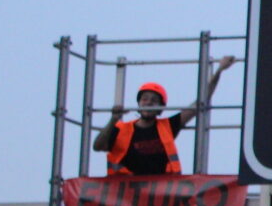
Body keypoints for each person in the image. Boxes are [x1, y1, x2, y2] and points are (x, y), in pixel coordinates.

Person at [95, 59, 236, 176]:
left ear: (161, 109)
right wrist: (113, 119)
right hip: (127, 197)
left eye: (154, 100)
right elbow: (98, 146)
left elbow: (200, 103)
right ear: (138, 104)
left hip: (160, 198)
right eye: (145, 99)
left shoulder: (168, 126)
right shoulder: (121, 129)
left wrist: (219, 70)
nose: (149, 102)